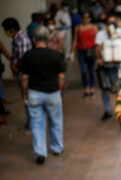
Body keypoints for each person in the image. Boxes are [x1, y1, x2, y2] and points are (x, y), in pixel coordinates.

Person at [21, 25, 65, 164]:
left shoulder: (28, 56)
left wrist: (25, 94)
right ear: (48, 39)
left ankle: (40, 152)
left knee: (36, 123)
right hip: (53, 92)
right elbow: (62, 77)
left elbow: (24, 78)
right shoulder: (56, 55)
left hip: (34, 93)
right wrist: (59, 89)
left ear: (34, 39)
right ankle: (57, 147)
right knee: (56, 121)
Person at [95, 14, 121, 120]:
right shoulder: (101, 34)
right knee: (106, 87)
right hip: (108, 66)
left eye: (113, 22)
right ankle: (107, 110)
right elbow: (97, 49)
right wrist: (99, 58)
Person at [2, 17, 32, 131]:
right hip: (20, 73)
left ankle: (32, 124)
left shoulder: (22, 39)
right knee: (25, 99)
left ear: (11, 29)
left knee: (27, 99)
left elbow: (23, 59)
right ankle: (29, 122)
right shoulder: (17, 38)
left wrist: (15, 68)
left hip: (24, 74)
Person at [71, 11, 98, 98]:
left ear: (90, 18)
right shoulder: (77, 28)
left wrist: (98, 52)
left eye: (87, 17)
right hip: (81, 51)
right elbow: (75, 40)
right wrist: (72, 52)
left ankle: (92, 87)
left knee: (91, 70)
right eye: (84, 18)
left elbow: (98, 40)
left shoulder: (94, 27)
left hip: (92, 50)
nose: (86, 19)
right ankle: (86, 87)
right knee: (83, 71)